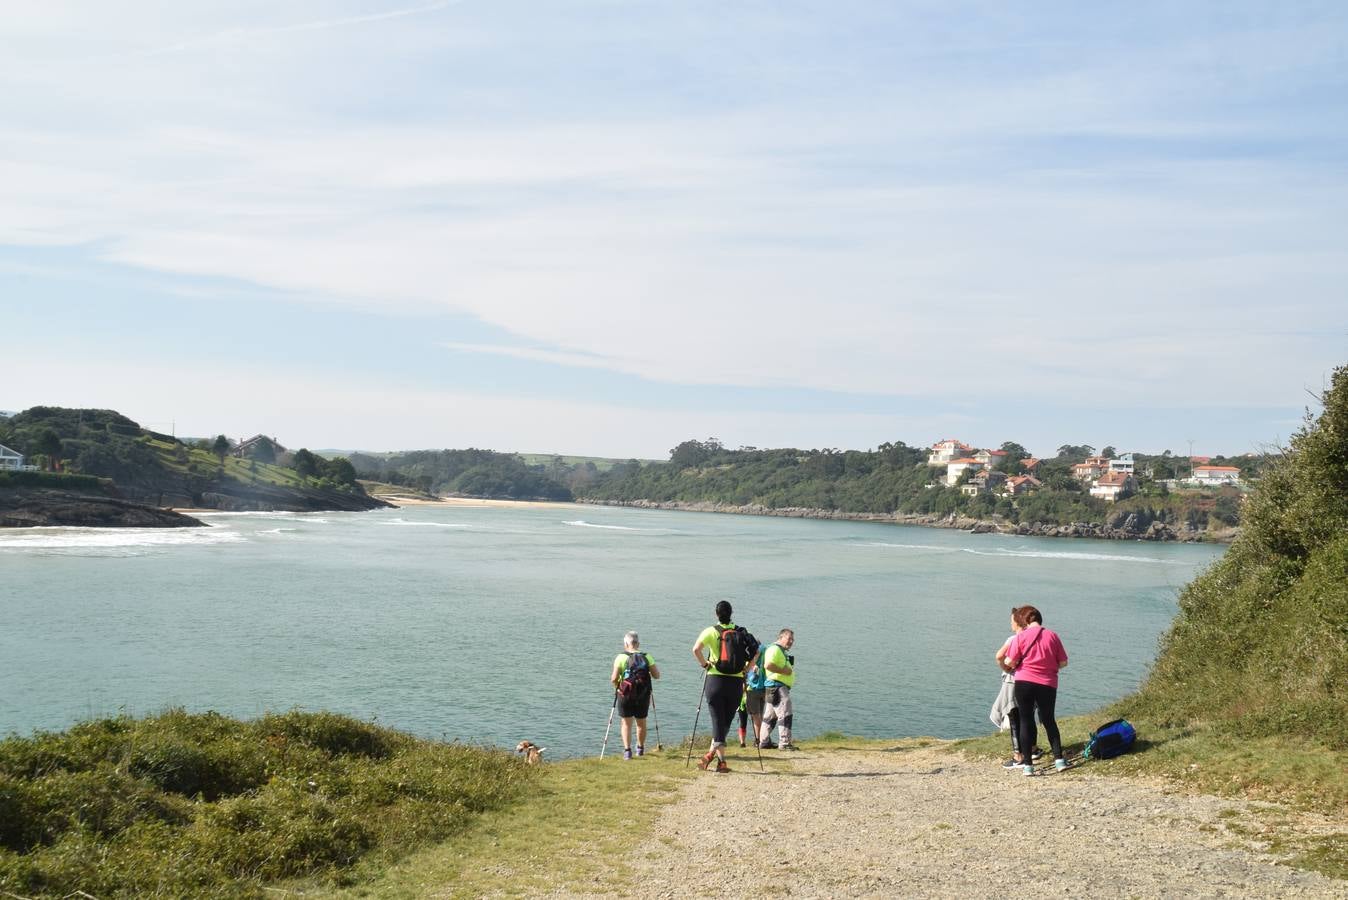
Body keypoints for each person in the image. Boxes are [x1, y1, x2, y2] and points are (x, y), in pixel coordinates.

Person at [1002, 605, 1069, 775]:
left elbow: (1009, 661)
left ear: (1024, 620)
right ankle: (1059, 760)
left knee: (1025, 720)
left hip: (1024, 681)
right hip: (1047, 683)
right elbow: (1063, 663)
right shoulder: (1053, 636)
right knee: (1048, 720)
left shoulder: (1020, 637)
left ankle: (1028, 766)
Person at [692, 601, 756, 773]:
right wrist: (748, 668)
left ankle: (720, 762)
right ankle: (713, 757)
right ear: (731, 613)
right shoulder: (741, 632)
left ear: (716, 614)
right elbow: (757, 651)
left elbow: (695, 649)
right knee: (725, 722)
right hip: (735, 682)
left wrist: (705, 665)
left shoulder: (710, 631)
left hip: (715, 681)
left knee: (718, 721)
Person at [992, 608, 1040, 769]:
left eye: (1012, 620)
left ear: (1017, 622)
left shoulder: (1013, 638)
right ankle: (1033, 749)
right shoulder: (1035, 636)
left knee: (1013, 717)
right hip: (1032, 679)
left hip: (1014, 681)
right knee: (1028, 716)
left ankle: (1018, 756)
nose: (1010, 623)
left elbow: (999, 656)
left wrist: (1005, 668)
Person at [611, 631, 660, 760]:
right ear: (638, 643)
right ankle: (640, 749)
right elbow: (657, 675)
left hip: (625, 694)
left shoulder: (620, 657)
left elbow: (614, 678)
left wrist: (617, 687)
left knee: (626, 723)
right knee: (641, 723)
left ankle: (627, 752)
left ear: (626, 643)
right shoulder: (647, 656)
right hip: (643, 695)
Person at [758, 628, 797, 751]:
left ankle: (763, 742)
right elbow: (768, 665)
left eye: (792, 639)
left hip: (772, 686)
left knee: (770, 716)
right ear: (781, 637)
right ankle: (785, 743)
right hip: (777, 686)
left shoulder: (779, 650)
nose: (791, 641)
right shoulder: (775, 649)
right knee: (786, 713)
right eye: (788, 638)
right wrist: (784, 671)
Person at [738, 643, 768, 747]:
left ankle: (755, 741)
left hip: (749, 692)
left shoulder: (749, 662)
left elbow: (743, 676)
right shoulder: (764, 654)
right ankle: (758, 739)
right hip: (762, 689)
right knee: (759, 715)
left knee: (750, 718)